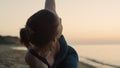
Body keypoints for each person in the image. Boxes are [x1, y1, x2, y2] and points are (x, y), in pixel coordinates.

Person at [20, 0, 78, 68]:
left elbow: (50, 3)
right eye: (59, 23)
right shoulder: (33, 58)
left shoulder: (51, 18)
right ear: (53, 39)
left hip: (67, 55)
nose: (60, 21)